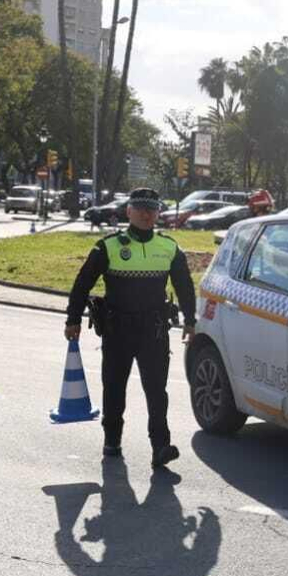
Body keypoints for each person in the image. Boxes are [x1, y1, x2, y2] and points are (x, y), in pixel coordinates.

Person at [64, 188, 198, 467]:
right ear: (128, 211)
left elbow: (184, 286)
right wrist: (73, 319)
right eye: (140, 208)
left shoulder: (169, 248)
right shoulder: (108, 246)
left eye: (152, 208)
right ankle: (112, 439)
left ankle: (160, 446)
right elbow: (82, 283)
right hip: (117, 329)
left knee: (157, 391)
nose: (147, 214)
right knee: (114, 387)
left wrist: (190, 320)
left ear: (158, 212)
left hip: (154, 330)